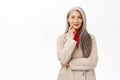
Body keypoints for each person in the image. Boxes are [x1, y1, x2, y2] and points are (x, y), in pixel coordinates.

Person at [56, 6, 98, 80]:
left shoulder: (91, 38)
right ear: (68, 19)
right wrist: (71, 39)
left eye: (79, 17)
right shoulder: (61, 38)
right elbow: (63, 60)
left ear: (83, 20)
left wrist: (69, 64)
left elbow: (93, 62)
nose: (76, 21)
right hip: (67, 77)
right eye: (72, 17)